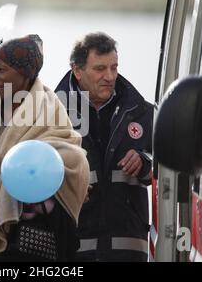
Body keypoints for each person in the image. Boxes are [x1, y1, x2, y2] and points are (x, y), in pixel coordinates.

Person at [0, 34, 90, 261]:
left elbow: (73, 152)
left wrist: (47, 166)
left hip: (28, 228)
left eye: (1, 70)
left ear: (24, 73)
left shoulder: (49, 108)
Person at [55, 32, 153, 262]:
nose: (109, 76)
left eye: (114, 67)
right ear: (77, 71)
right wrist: (66, 186)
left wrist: (145, 160)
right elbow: (35, 171)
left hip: (128, 249)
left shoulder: (143, 112)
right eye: (100, 69)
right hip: (72, 248)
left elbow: (170, 167)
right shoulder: (52, 113)